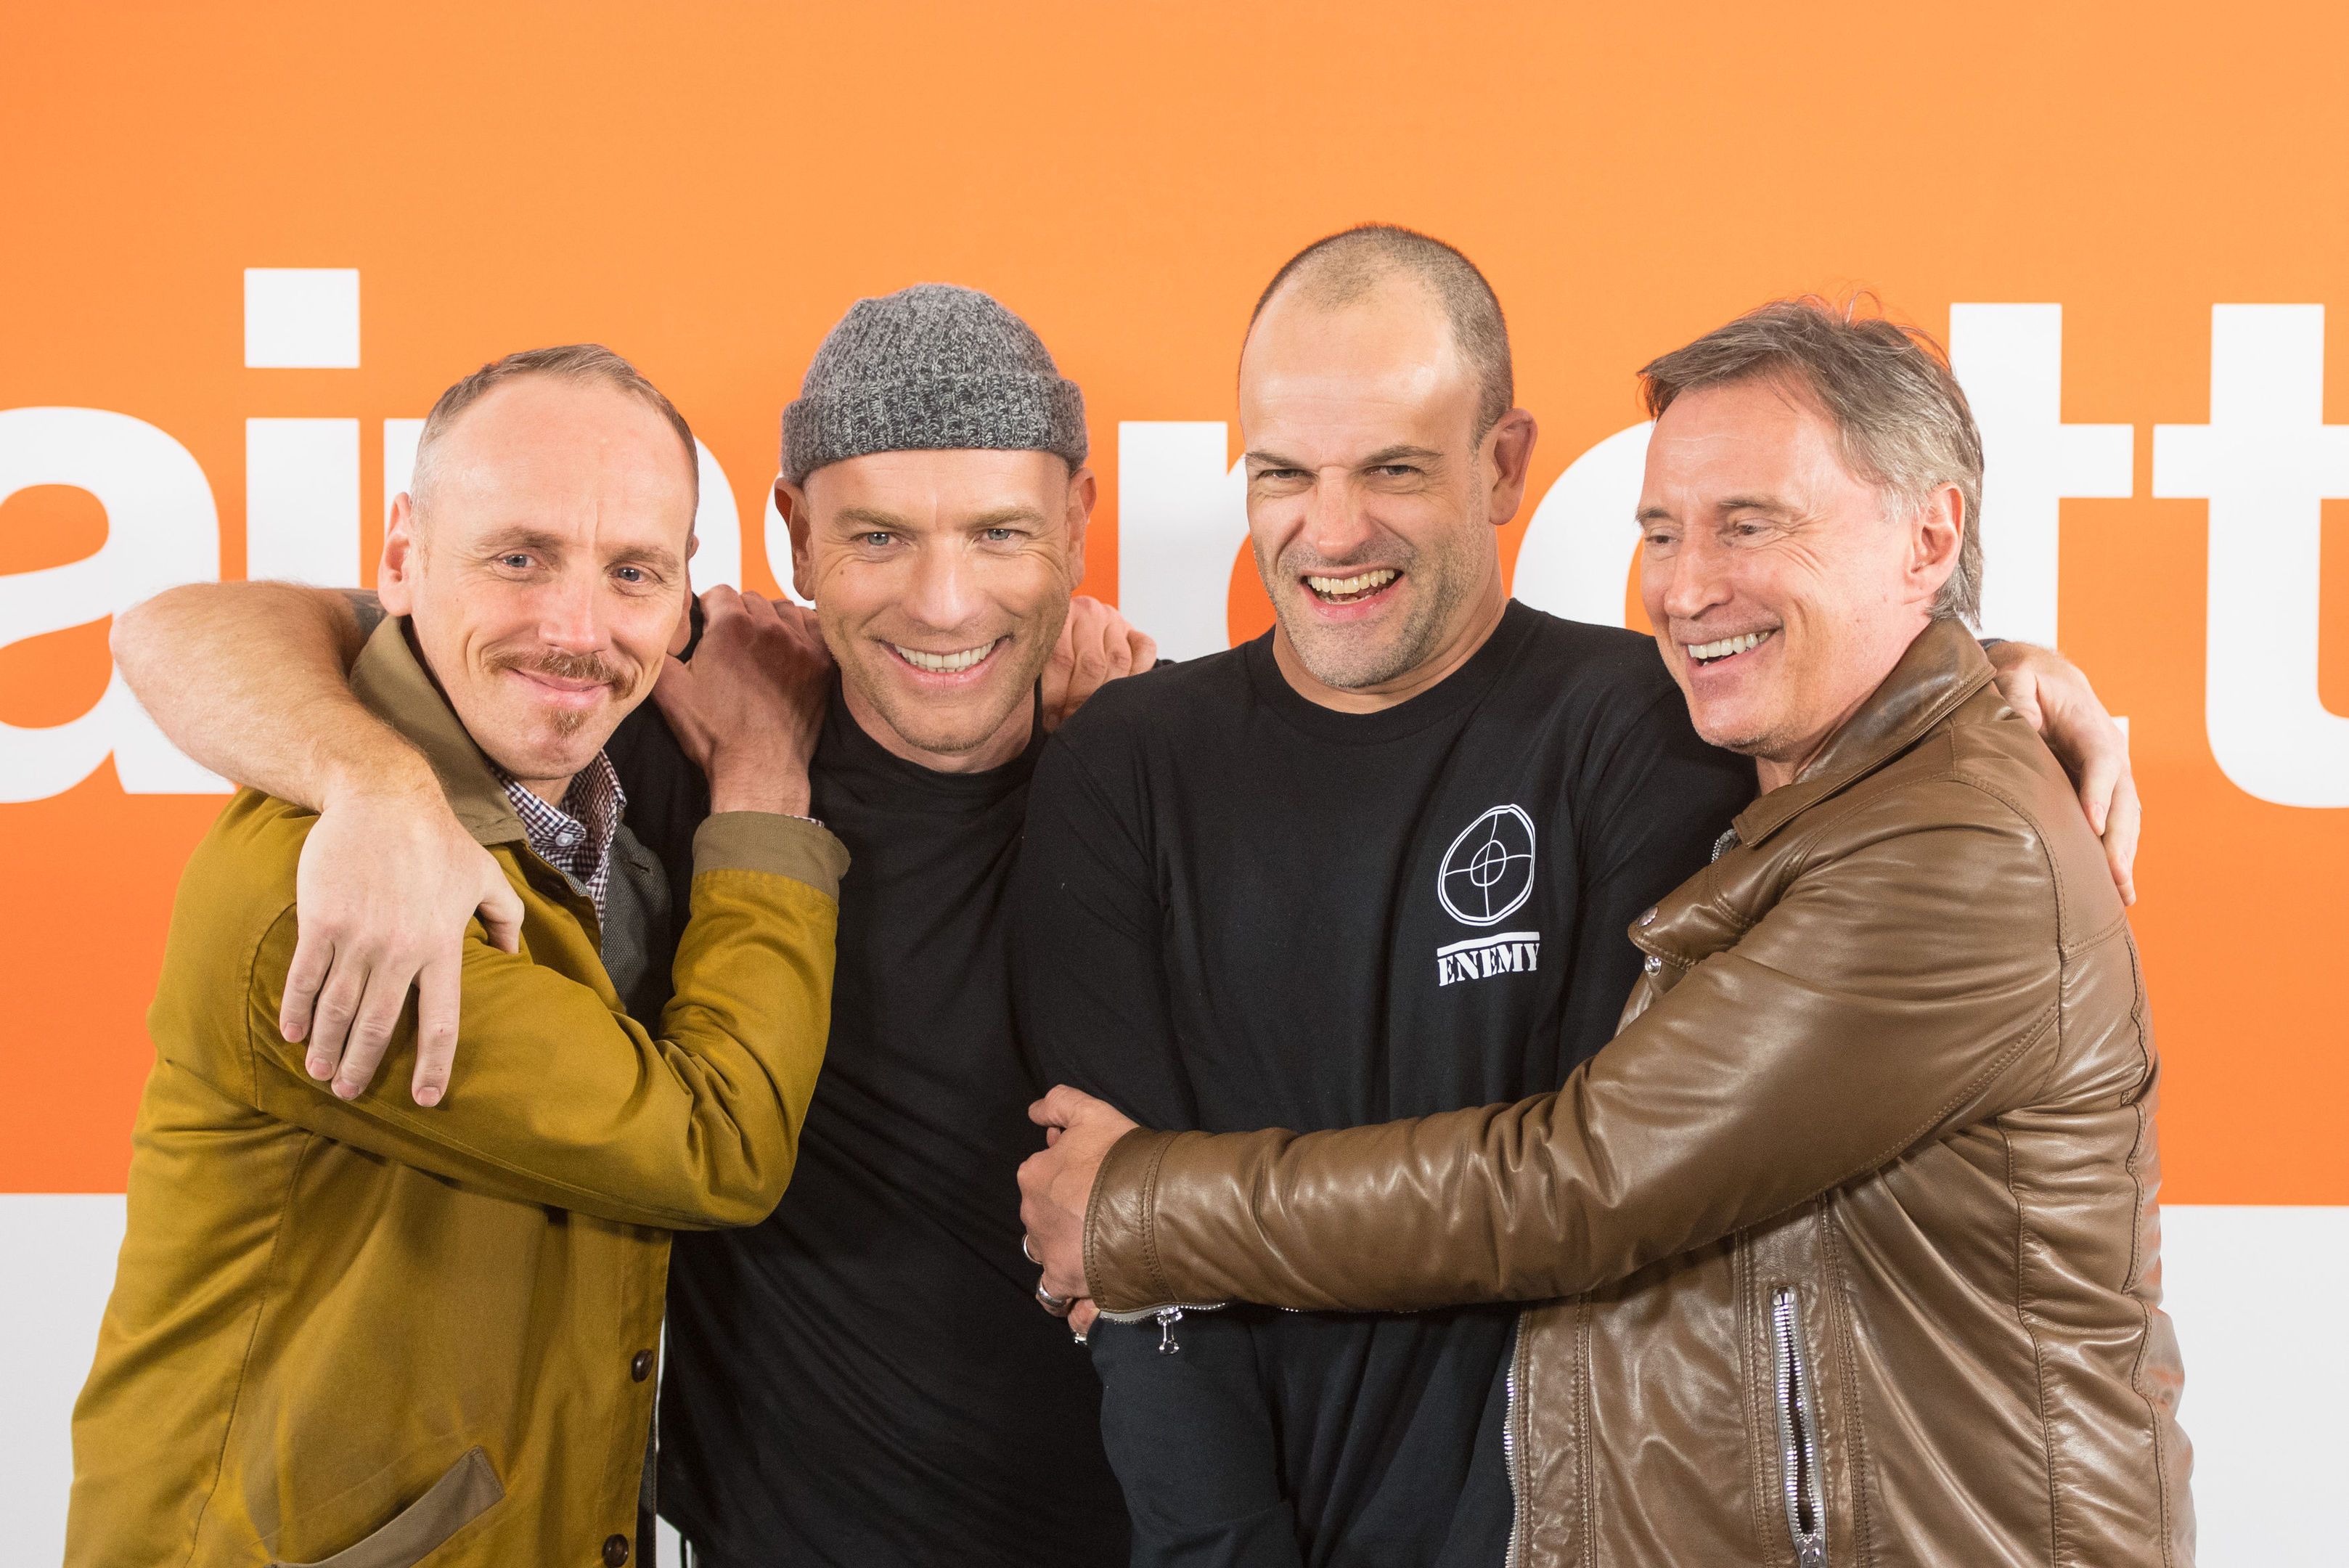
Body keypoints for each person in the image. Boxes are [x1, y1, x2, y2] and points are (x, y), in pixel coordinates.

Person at [1005, 227, 2143, 1568]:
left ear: (1503, 466)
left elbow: (1587, 1188)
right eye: (1284, 472)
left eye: (1394, 468)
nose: (1331, 526)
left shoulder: (1678, 734)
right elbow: (1134, 1306)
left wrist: (1144, 1210)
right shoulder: (1129, 761)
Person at [108, 286, 1145, 1567]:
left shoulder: (1155, 761)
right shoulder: (560, 778)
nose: (943, 602)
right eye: (878, 538)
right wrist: (370, 786)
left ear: (1078, 528)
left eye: (999, 534)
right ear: (795, 538)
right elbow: (179, 629)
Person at [70, 345, 846, 1568]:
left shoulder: (584, 807)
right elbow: (713, 1147)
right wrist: (763, 784)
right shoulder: (326, 898)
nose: (577, 628)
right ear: (401, 560)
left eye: (632, 572)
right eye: (518, 557)